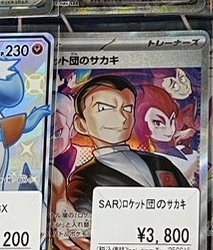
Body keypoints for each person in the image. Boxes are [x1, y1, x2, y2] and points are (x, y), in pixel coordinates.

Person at [64, 75, 188, 212]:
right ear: (81, 124)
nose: (122, 117)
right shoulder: (84, 179)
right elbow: (84, 219)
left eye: (128, 109)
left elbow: (191, 203)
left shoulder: (160, 162)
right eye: (104, 108)